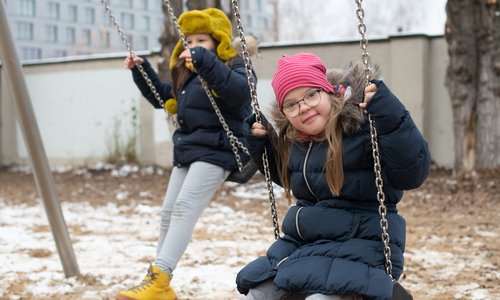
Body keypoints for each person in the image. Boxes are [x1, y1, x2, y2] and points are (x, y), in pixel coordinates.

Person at [235, 52, 431, 299]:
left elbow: (412, 173)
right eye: (291, 104)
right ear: (284, 113)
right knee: (258, 292)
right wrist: (262, 144)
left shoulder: (363, 126)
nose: (303, 107)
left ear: (327, 91)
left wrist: (390, 116)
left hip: (362, 243)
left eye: (311, 95)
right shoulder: (297, 141)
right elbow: (291, 176)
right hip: (306, 243)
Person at [116, 8, 254, 300]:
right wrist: (142, 72)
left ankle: (161, 274)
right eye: (189, 42)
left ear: (218, 42)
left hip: (218, 150)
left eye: (201, 41)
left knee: (184, 209)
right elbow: (164, 96)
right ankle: (160, 285)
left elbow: (239, 93)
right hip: (190, 150)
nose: (193, 47)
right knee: (167, 213)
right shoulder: (187, 77)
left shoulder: (234, 65)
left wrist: (205, 62)